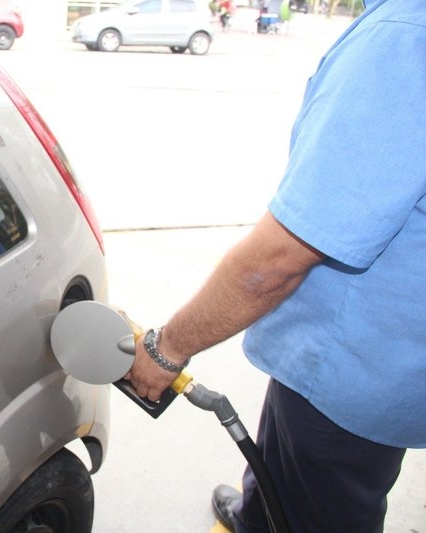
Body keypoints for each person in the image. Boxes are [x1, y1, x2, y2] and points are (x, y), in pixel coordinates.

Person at [124, 0, 426, 531]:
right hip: (389, 364)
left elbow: (277, 260)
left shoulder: (406, 37)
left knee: (315, 506)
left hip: (347, 377)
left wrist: (165, 349)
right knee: (281, 483)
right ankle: (256, 514)